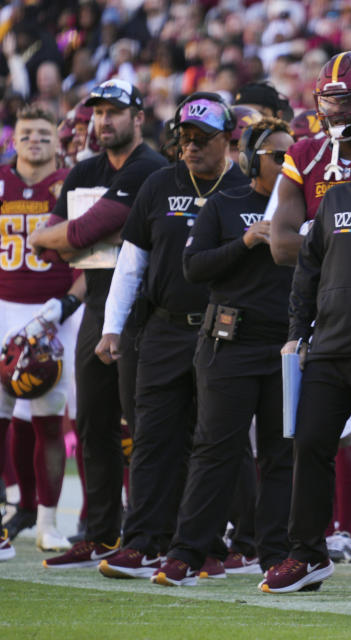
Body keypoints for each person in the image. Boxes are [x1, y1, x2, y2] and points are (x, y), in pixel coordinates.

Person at [93, 93, 248, 579]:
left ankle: (219, 543)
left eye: (203, 139)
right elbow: (132, 261)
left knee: (217, 442)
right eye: (184, 138)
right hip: (160, 327)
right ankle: (142, 542)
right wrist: (111, 326)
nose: (191, 147)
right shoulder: (159, 184)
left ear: (229, 140)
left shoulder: (243, 189)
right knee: (152, 437)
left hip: (223, 331)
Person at [259, 100, 351, 594]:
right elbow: (307, 271)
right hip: (329, 346)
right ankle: (307, 555)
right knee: (310, 445)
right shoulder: (337, 199)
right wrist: (298, 332)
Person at [151, 118, 295, 586]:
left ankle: (273, 553)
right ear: (252, 157)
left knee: (280, 454)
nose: (286, 162)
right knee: (215, 449)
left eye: (291, 155)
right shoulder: (225, 203)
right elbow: (194, 268)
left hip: (285, 346)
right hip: (229, 343)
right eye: (277, 154)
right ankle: (187, 552)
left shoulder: (307, 204)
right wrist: (247, 241)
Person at [31, 80, 166, 569]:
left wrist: (69, 235)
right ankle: (100, 532)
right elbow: (42, 242)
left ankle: (150, 532)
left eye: (115, 111)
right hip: (96, 302)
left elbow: (80, 232)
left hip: (143, 306)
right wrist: (67, 235)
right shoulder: (85, 170)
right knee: (94, 423)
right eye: (98, 112)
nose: (104, 121)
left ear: (137, 116)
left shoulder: (150, 167)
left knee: (144, 425)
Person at [0, 105, 80, 552]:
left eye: (44, 133)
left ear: (56, 139)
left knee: (49, 420)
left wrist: (65, 305)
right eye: (27, 132)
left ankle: (48, 523)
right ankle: (11, 510)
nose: (35, 140)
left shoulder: (70, 183)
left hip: (54, 312)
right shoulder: (2, 181)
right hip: (4, 304)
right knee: (1, 416)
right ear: (15, 139)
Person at [268, 51, 351, 266]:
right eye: (329, 102)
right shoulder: (303, 154)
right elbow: (281, 247)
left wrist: (314, 236)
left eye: (347, 101)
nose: (337, 110)